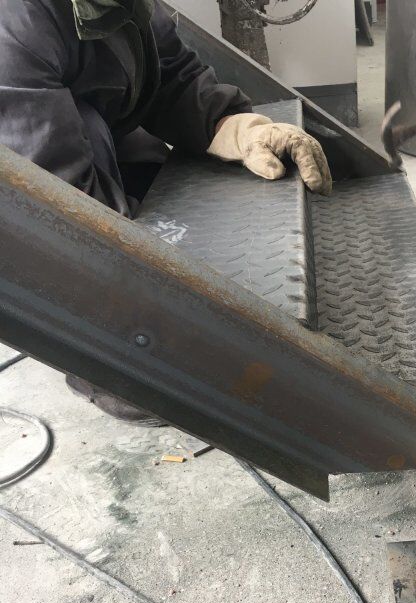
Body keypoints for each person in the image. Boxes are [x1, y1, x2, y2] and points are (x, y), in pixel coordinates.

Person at [0, 0, 332, 424]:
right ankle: (110, 370)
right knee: (87, 190)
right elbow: (56, 207)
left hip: (85, 139)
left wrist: (236, 128)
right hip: (22, 189)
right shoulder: (15, 24)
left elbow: (172, 76)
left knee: (146, 162)